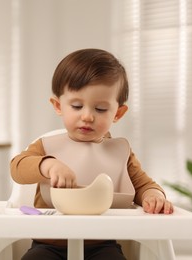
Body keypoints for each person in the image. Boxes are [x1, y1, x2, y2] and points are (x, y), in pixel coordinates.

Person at [10, 48, 174, 260]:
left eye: (101, 109)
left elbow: (144, 185)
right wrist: (47, 165)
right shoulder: (46, 147)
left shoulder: (120, 153)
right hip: (49, 243)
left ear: (118, 113)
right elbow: (17, 167)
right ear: (58, 106)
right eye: (77, 106)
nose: (87, 116)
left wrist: (154, 196)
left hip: (102, 244)